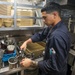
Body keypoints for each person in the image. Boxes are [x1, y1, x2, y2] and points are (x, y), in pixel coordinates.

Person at [20, 2, 71, 75]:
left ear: (54, 15)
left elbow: (55, 66)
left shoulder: (57, 36)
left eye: (45, 17)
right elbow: (41, 35)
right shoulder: (54, 26)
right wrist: (26, 42)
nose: (43, 21)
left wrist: (31, 63)